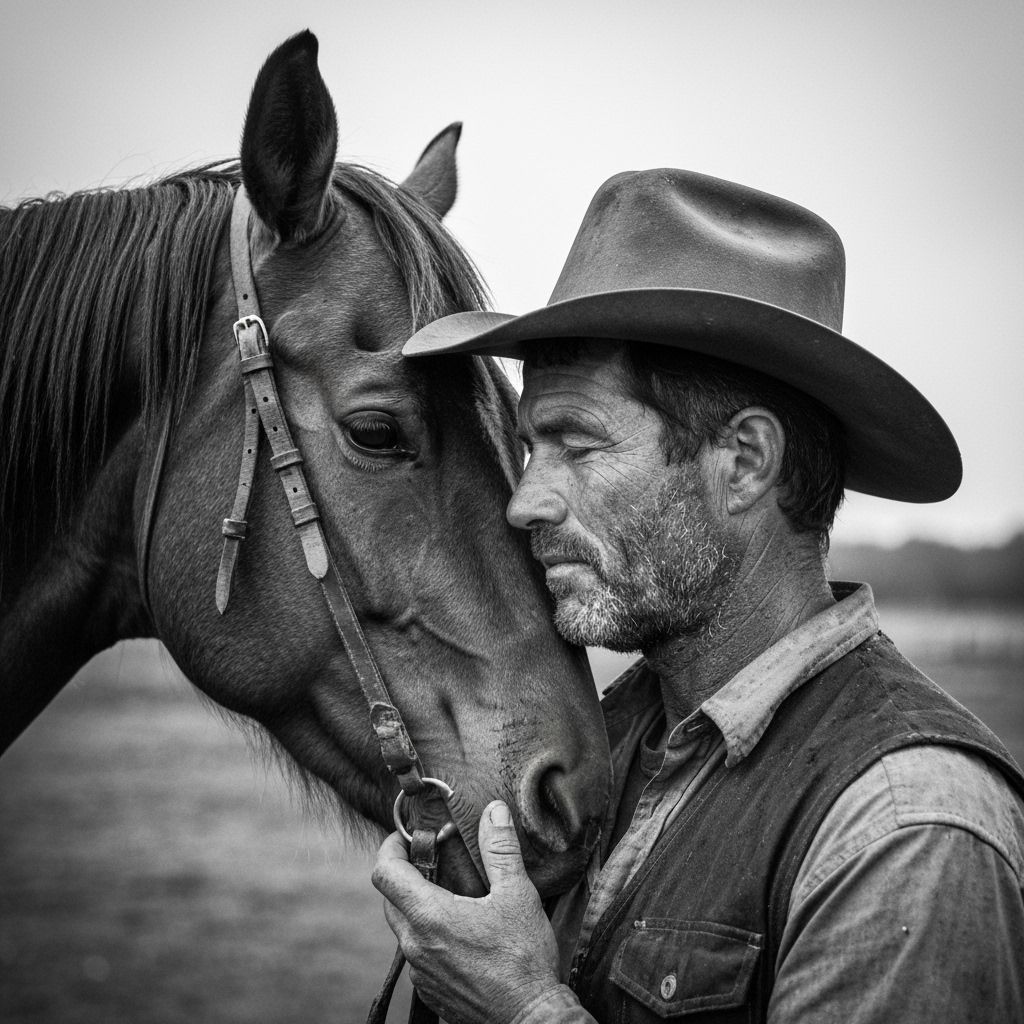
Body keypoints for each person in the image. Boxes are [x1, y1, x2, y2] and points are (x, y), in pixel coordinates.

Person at [373, 168, 1024, 1022]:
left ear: (745, 462)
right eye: (532, 447)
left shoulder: (907, 827)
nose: (525, 502)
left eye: (577, 445)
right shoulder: (613, 738)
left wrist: (519, 1007)